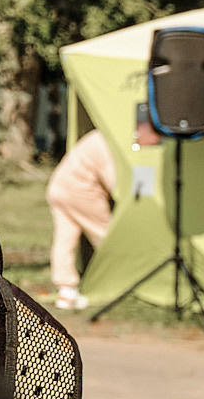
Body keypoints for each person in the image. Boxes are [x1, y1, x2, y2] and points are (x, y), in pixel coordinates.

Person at [46, 119, 142, 311]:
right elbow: (113, 183)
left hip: (57, 188)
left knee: (65, 239)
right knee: (107, 235)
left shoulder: (95, 137)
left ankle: (66, 291)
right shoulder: (105, 144)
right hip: (81, 193)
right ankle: (124, 284)